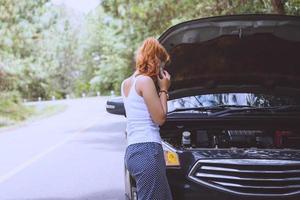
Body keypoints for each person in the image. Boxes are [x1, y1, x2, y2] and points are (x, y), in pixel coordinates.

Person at [121, 37, 173, 200]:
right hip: (147, 150)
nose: (161, 69)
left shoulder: (126, 83)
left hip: (133, 150)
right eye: (161, 63)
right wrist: (164, 89)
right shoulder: (145, 81)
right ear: (154, 59)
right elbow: (160, 118)